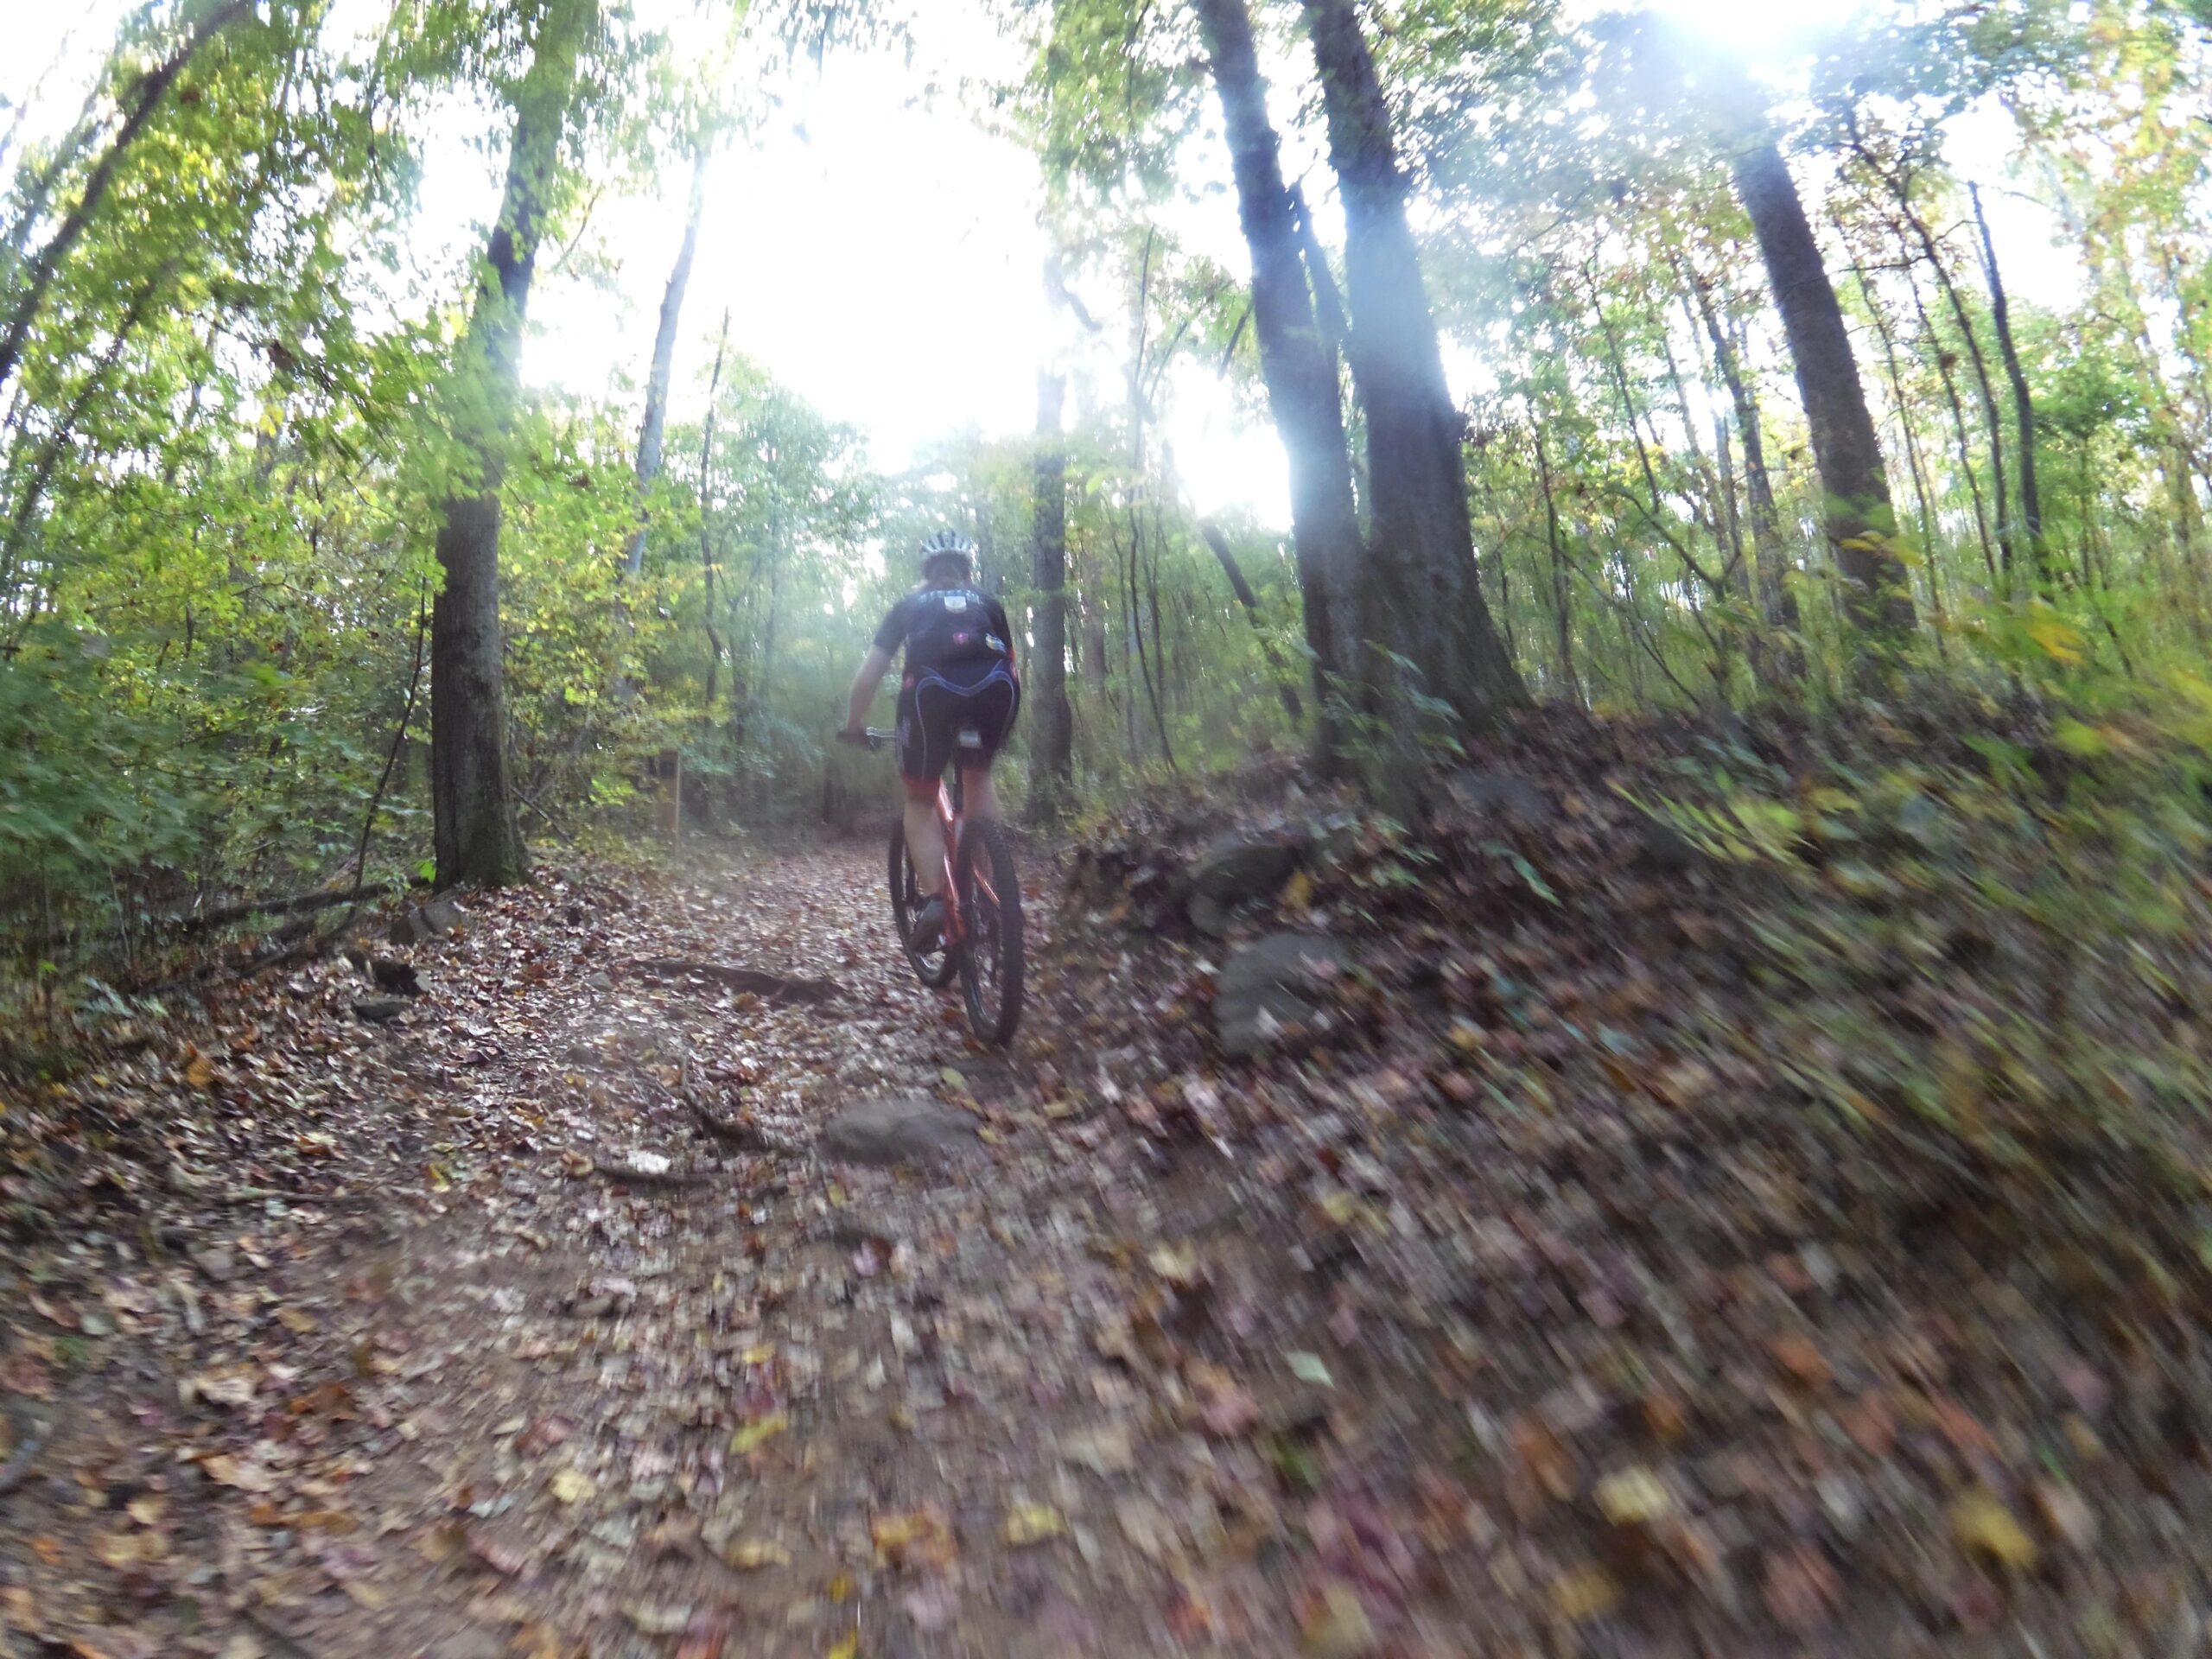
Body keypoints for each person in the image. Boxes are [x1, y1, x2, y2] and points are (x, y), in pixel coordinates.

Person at [842, 531, 1020, 950]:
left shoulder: (910, 605)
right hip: (998, 693)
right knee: (978, 777)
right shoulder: (988, 604)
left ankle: (939, 899)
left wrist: (853, 723)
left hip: (931, 697)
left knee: (920, 799)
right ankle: (989, 894)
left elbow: (868, 677)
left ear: (926, 575)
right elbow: (1013, 669)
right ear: (966, 573)